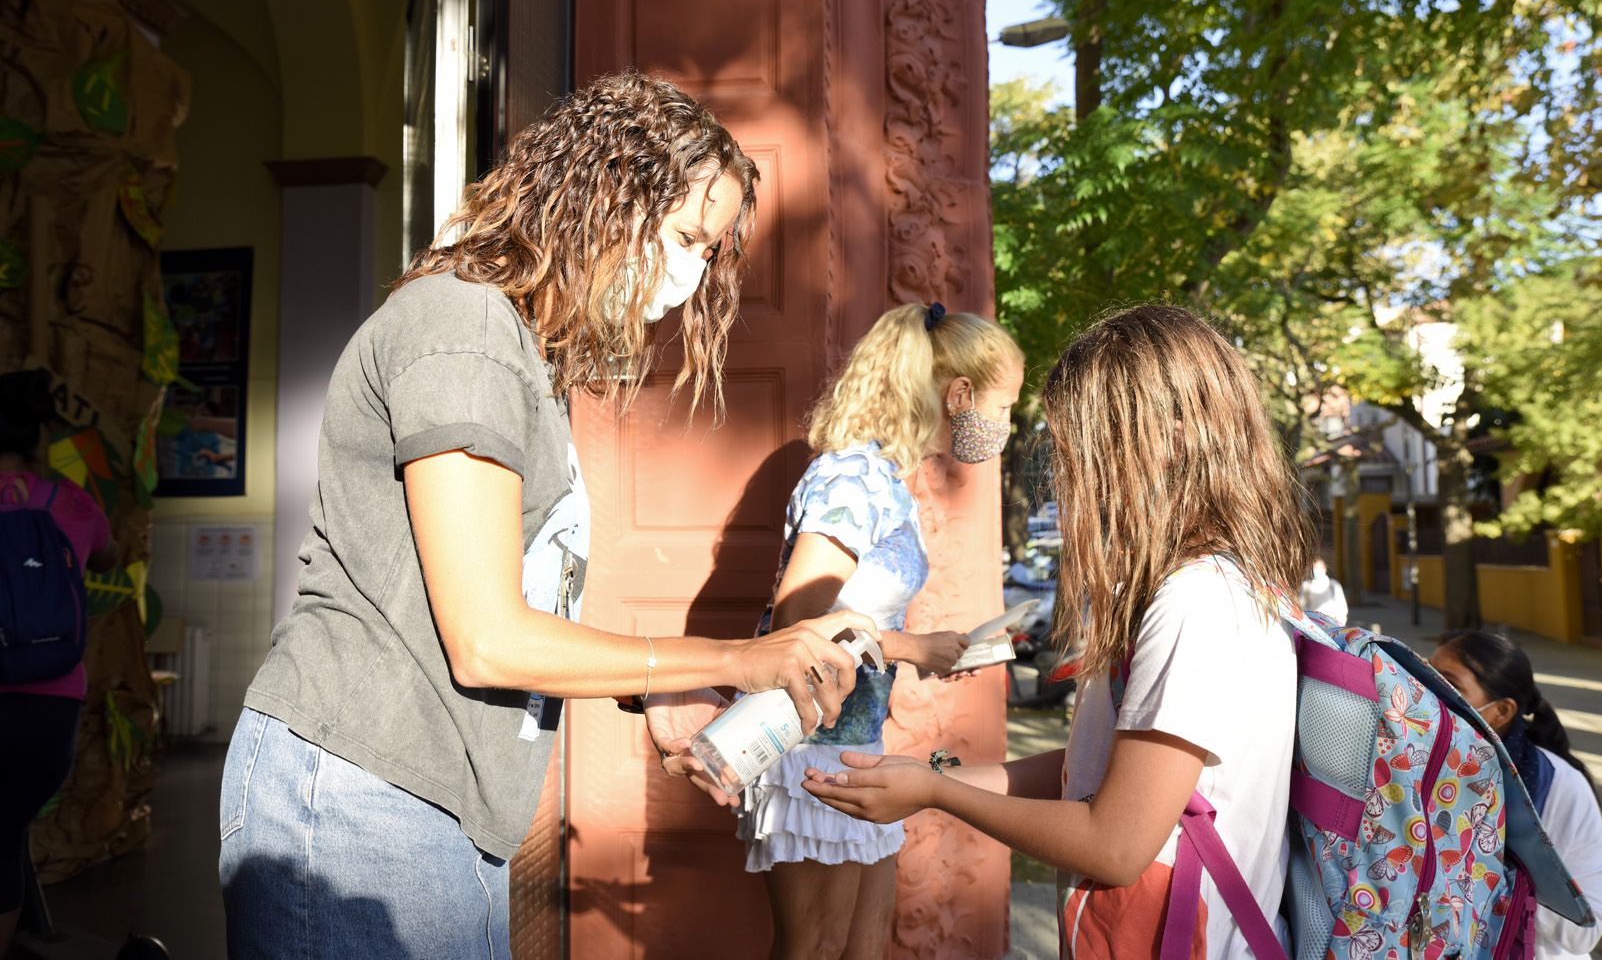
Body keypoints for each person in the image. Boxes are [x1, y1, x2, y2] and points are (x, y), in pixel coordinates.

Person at [218, 72, 878, 959]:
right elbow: (487, 638)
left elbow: (516, 599)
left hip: (438, 804)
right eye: (686, 237)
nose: (693, 272)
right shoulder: (463, 329)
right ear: (606, 195)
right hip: (359, 797)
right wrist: (732, 657)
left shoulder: (522, 353)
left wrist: (657, 688)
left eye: (710, 251)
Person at [802, 304, 1316, 958]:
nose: (1065, 475)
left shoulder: (1196, 601)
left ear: (1170, 439)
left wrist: (936, 791)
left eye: (1080, 449)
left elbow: (1115, 844)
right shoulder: (1198, 585)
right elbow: (1092, 767)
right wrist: (933, 776)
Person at [725, 302, 1022, 960]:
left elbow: (857, 616)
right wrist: (913, 648)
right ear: (960, 395)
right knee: (816, 947)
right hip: (809, 743)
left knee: (860, 948)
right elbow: (796, 624)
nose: (1006, 424)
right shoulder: (853, 475)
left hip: (856, 740)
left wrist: (929, 651)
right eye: (1004, 406)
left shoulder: (886, 479)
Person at [0, 369, 117, 955]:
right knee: (5, 832)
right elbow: (107, 557)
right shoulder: (71, 503)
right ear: (38, 436)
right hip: (50, 706)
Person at [1430, 630, 1602, 960]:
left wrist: (1485, 877)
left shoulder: (1559, 786)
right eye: (1422, 675)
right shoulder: (1414, 763)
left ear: (1501, 711)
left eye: (1448, 684)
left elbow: (1584, 932)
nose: (1422, 692)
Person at [1298, 556, 1348, 625]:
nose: (1316, 570)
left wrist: (1340, 624)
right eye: (1314, 568)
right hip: (1314, 625)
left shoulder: (1334, 585)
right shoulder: (1306, 586)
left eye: (1319, 568)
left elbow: (1342, 608)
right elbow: (1302, 607)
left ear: (1325, 568)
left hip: (1333, 624)